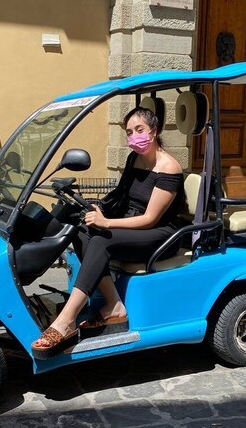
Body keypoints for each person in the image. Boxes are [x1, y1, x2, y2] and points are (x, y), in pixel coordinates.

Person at [31, 107, 184, 357]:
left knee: (101, 239)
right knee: (81, 231)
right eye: (130, 132)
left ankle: (65, 321)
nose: (134, 136)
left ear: (154, 132)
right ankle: (114, 306)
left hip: (160, 234)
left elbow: (150, 218)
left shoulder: (169, 167)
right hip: (132, 224)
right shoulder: (135, 158)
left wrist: (107, 223)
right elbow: (121, 196)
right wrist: (98, 208)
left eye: (140, 130)